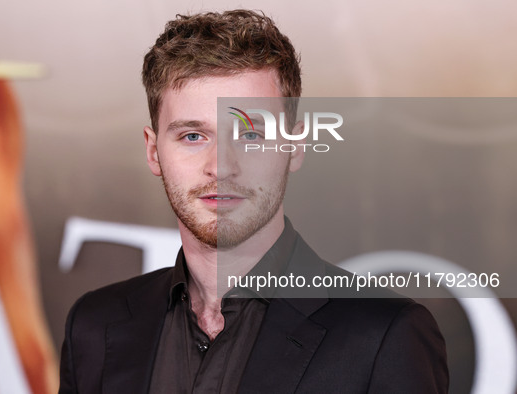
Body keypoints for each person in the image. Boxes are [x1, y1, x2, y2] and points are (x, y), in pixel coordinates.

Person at [59, 9, 448, 393]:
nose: (221, 166)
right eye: (193, 136)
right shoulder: (94, 325)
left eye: (250, 134)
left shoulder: (387, 335)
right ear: (153, 151)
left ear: (294, 148)